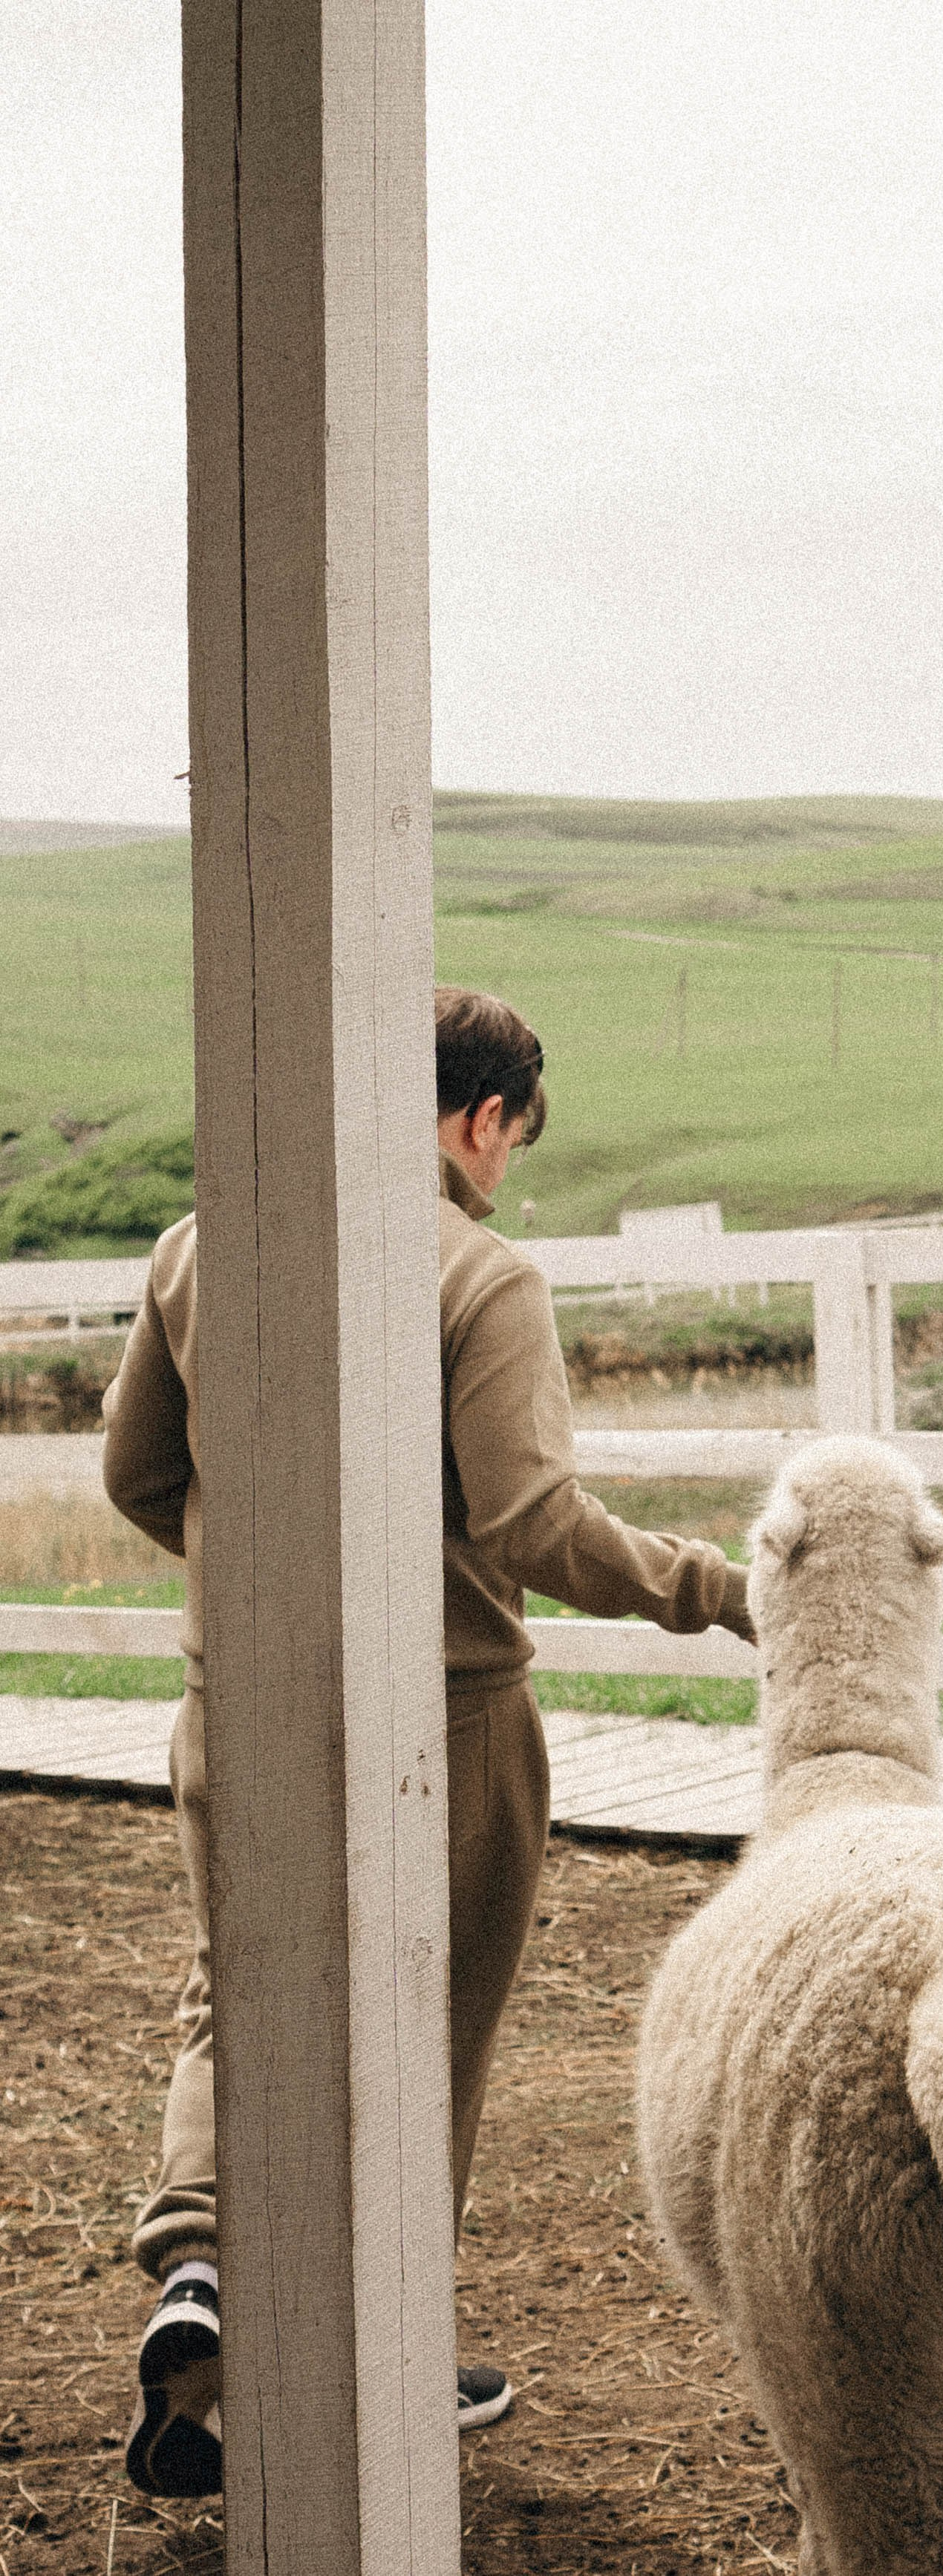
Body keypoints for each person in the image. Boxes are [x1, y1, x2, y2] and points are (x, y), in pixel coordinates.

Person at [104, 985, 755, 2498]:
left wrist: (249, 1585)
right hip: (445, 1716)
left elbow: (140, 1471)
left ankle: (198, 2275)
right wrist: (706, 1587)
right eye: (510, 1140)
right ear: (481, 1118)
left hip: (232, 1703)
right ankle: (381, 2342)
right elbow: (531, 1519)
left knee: (234, 1986)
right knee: (422, 2030)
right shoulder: (480, 1272)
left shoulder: (199, 1245)